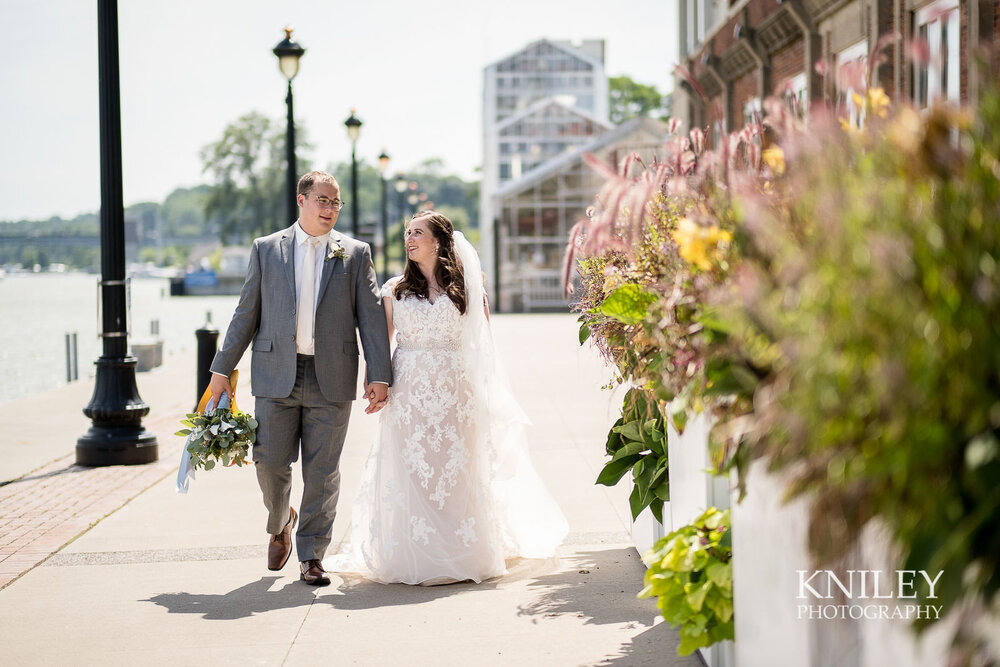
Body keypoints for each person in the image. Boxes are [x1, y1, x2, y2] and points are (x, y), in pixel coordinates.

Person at [331, 210, 567, 585]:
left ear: (439, 241)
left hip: (458, 391)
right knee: (413, 468)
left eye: (417, 233)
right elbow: (380, 343)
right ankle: (413, 550)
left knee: (455, 469)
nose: (409, 239)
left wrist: (488, 394)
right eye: (407, 233)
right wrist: (376, 382)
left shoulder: (469, 290)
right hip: (409, 391)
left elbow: (485, 346)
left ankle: (462, 549)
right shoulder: (395, 290)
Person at [208, 171, 392, 587]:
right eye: (322, 201)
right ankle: (280, 520)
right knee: (270, 462)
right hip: (276, 376)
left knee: (323, 471)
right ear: (301, 201)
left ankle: (311, 554)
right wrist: (222, 369)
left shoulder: (356, 252)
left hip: (332, 375)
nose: (329, 209)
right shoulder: (267, 250)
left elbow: (371, 319)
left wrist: (379, 374)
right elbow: (246, 313)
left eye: (335, 203)